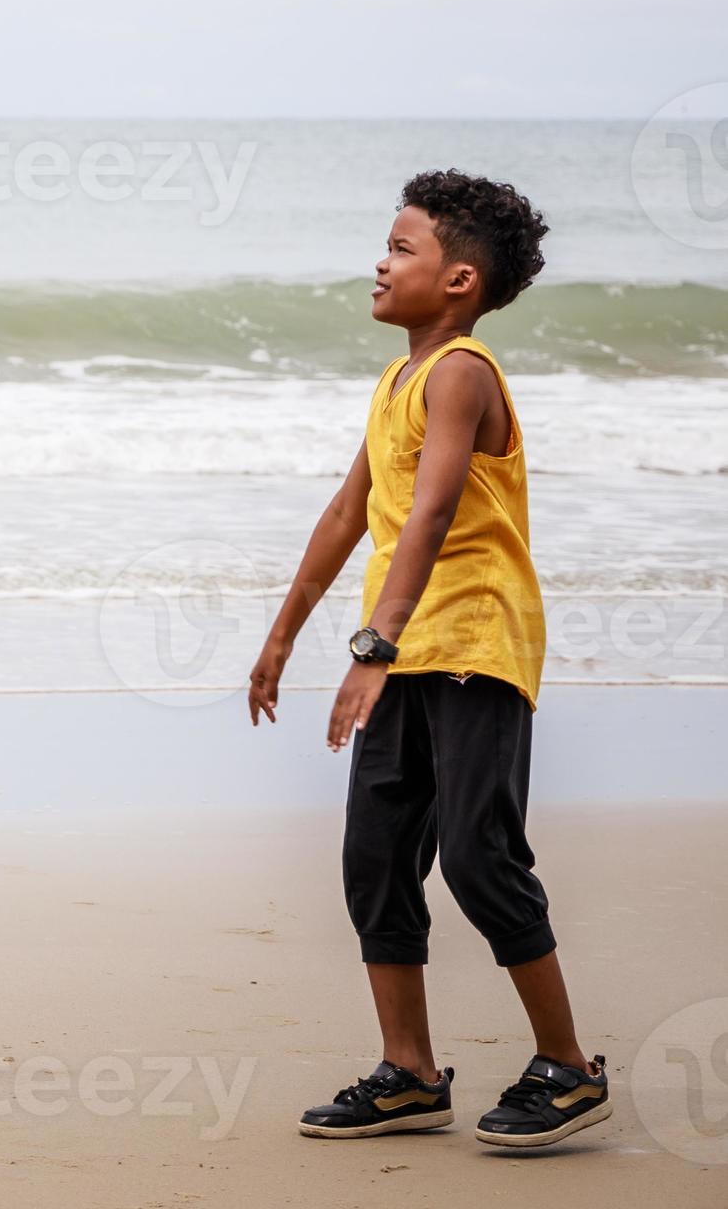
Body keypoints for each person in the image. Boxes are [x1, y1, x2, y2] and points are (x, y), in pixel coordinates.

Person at [247, 169, 610, 1150]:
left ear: (457, 280)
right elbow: (345, 515)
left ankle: (570, 1069)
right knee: (375, 858)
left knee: (478, 857)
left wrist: (373, 643)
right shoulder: (397, 380)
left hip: (473, 642)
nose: (381, 259)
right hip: (407, 650)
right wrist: (282, 634)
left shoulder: (461, 372)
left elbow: (439, 508)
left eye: (401, 247)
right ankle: (409, 1073)